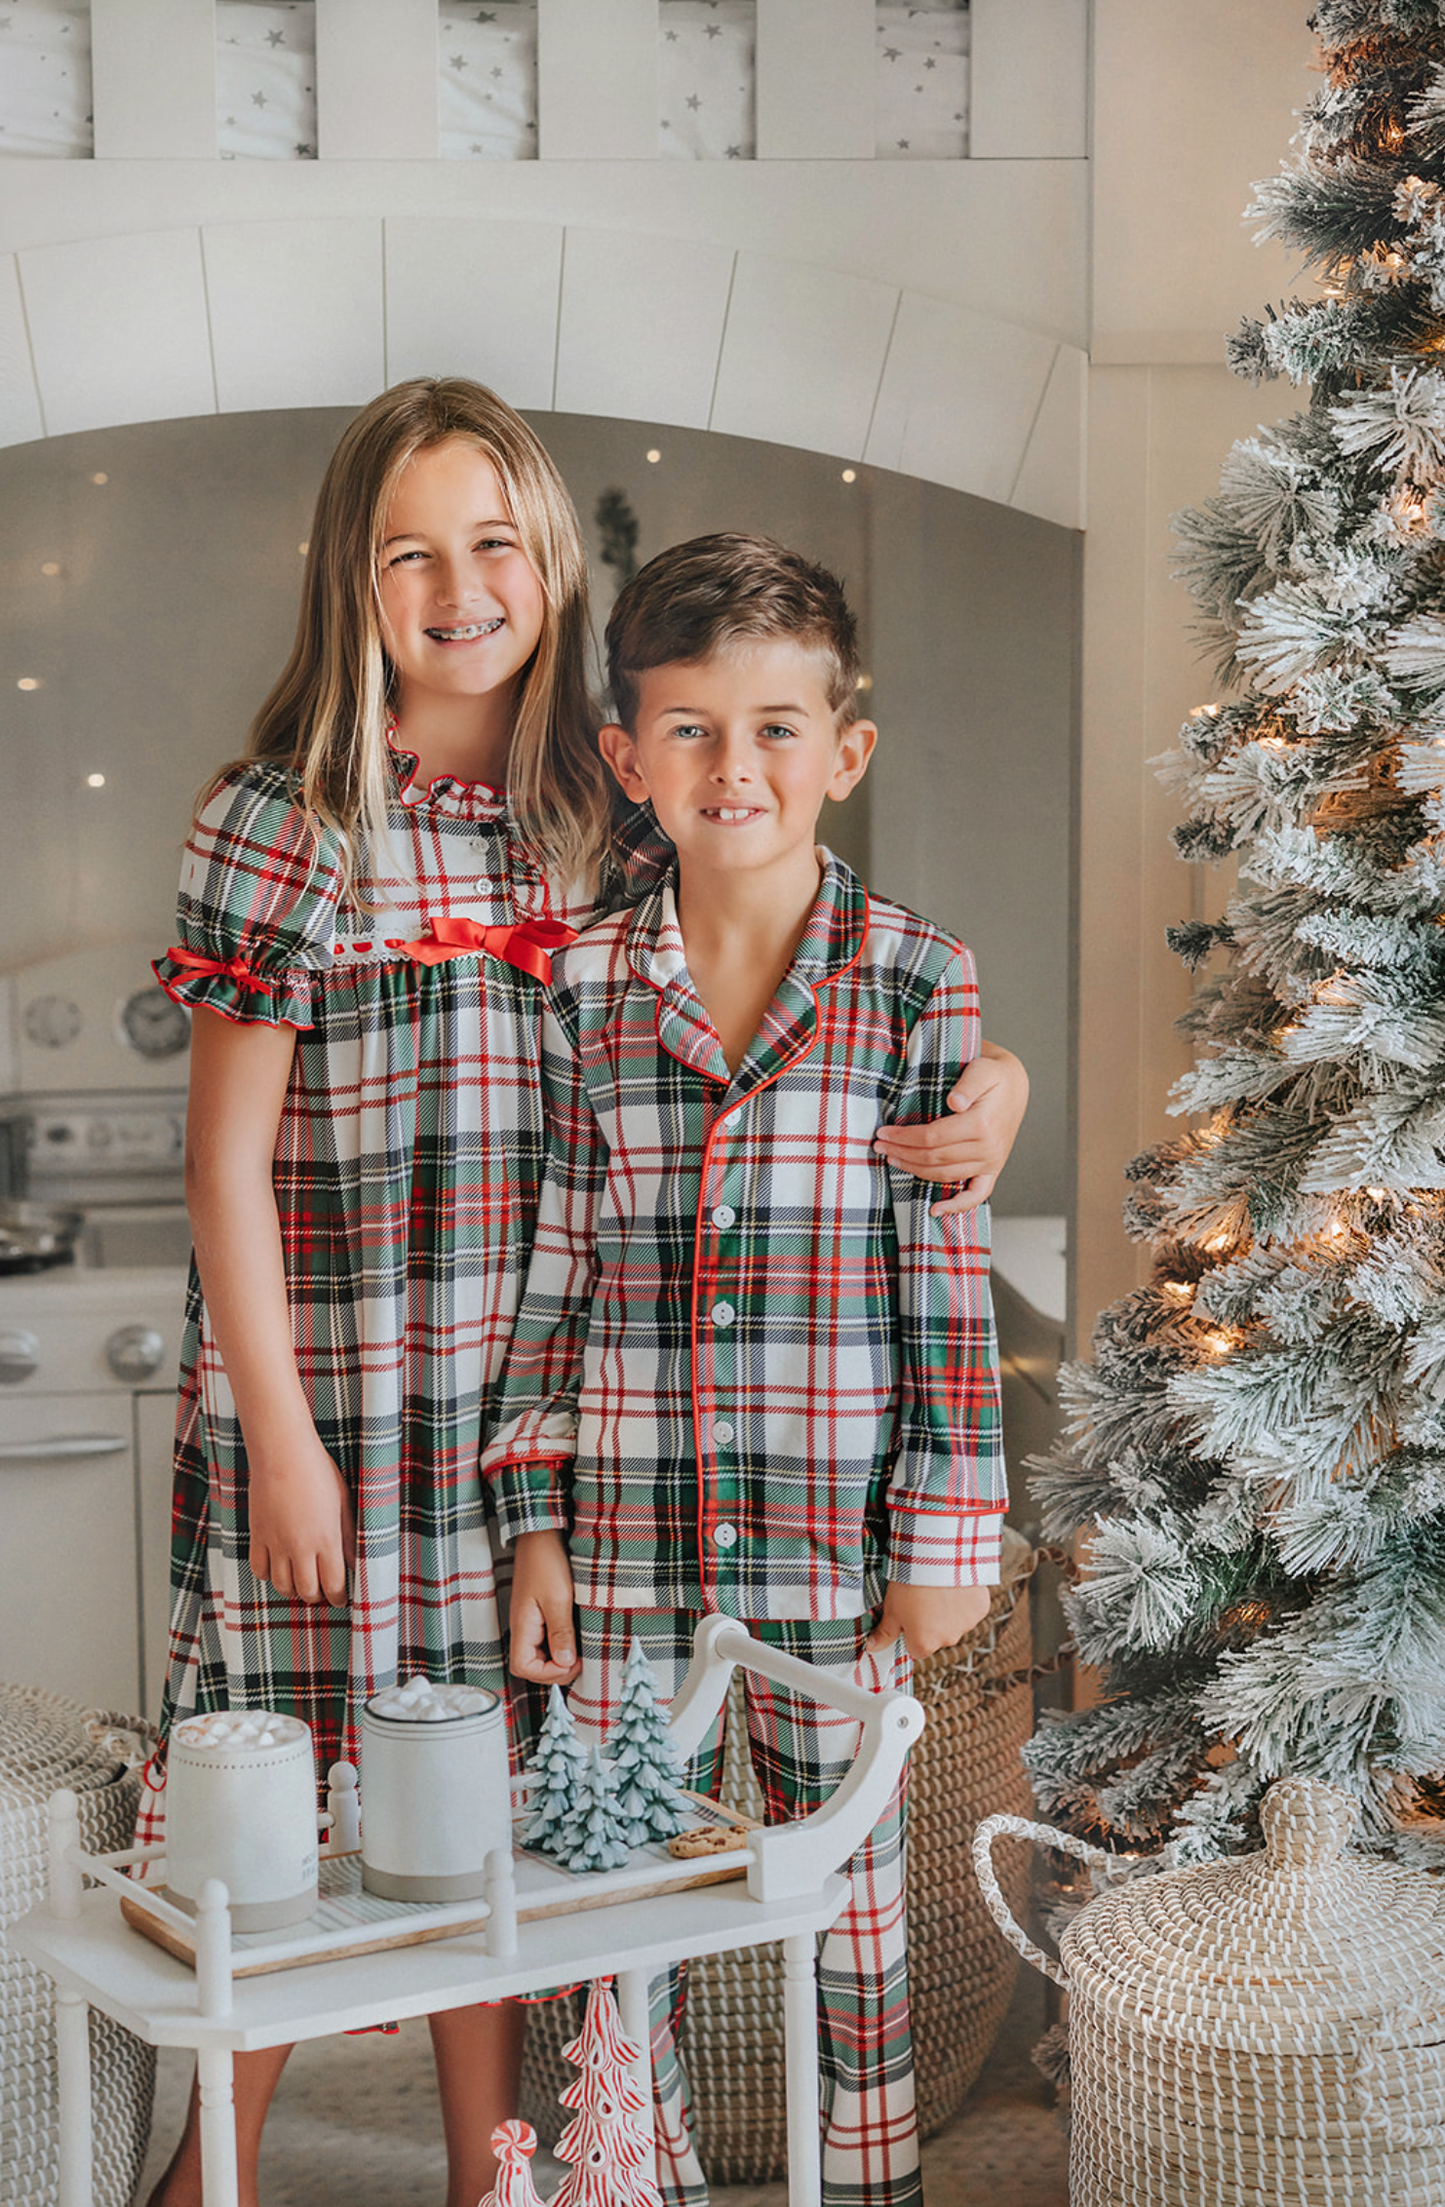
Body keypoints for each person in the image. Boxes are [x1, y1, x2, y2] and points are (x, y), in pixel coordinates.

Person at [140, 387, 1026, 2207]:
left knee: (484, 1826)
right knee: (289, 1825)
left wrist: (986, 1075)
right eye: (411, 549)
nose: (460, 583)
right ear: (350, 577)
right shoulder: (285, 821)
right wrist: (286, 1448)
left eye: (493, 541)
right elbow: (224, 1161)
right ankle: (199, 2175)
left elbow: (777, 943)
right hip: (331, 1411)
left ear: (550, 561)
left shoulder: (595, 825)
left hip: (525, 1427)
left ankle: (501, 2171)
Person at [483, 532, 1009, 2207]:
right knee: (619, 1918)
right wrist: (539, 1515)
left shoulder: (918, 981)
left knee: (843, 1919)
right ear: (631, 758)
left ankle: (864, 2188)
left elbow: (944, 1274)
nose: (736, 765)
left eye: (777, 726)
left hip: (828, 1551)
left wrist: (947, 1530)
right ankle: (636, 2183)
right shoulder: (579, 985)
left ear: (844, 750)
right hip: (627, 1553)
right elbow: (550, 1267)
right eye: (692, 729)